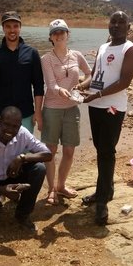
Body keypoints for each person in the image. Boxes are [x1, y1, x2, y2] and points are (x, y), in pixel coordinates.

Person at [80, 11, 133, 225]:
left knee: (107, 152)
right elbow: (95, 75)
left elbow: (124, 82)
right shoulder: (104, 47)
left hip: (112, 107)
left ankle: (103, 202)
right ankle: (104, 191)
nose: (116, 25)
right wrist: (81, 86)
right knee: (100, 149)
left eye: (121, 22)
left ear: (128, 26)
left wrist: (97, 94)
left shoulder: (130, 50)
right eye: (113, 21)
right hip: (95, 106)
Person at [0, 106, 52, 232]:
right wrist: (2, 190)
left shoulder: (22, 133)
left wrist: (22, 158)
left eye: (15, 126)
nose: (10, 130)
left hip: (11, 176)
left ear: (19, 126)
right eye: (6, 124)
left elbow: (48, 154)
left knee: (39, 169)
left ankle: (23, 215)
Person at [40, 19, 92, 205]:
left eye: (62, 32)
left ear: (68, 34)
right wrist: (60, 90)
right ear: (50, 38)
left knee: (69, 150)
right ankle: (51, 189)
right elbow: (51, 84)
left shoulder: (76, 55)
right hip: (52, 108)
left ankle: (61, 186)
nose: (59, 35)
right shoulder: (46, 59)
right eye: (55, 33)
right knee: (51, 150)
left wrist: (82, 85)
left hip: (72, 108)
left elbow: (89, 73)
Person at [0, 11, 44, 133]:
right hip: (0, 114)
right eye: (8, 26)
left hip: (25, 114)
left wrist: (38, 113)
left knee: (23, 151)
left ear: (20, 28)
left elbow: (38, 86)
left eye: (15, 26)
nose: (12, 30)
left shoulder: (32, 53)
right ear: (3, 28)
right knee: (0, 150)